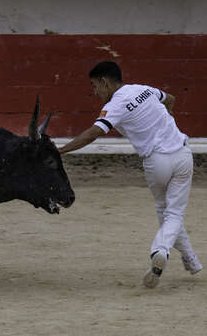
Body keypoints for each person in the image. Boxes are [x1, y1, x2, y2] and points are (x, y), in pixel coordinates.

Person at [58, 61, 202, 288]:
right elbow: (171, 99)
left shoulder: (115, 105)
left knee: (168, 214)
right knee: (172, 214)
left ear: (105, 82)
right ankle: (191, 261)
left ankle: (160, 250)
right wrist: (164, 122)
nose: (95, 92)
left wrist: (61, 150)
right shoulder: (144, 89)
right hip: (183, 154)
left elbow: (93, 133)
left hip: (157, 162)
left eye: (95, 86)